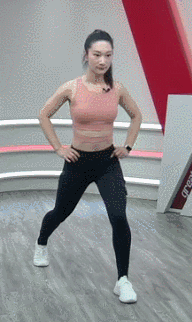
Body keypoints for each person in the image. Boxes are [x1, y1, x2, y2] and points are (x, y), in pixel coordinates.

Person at [34, 29, 143, 304]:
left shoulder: (117, 89)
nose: (102, 60)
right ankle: (41, 242)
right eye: (97, 55)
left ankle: (123, 280)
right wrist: (59, 148)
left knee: (118, 216)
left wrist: (128, 146)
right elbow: (44, 114)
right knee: (61, 212)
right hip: (78, 163)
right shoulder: (72, 88)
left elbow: (136, 115)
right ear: (86, 55)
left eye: (108, 55)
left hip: (107, 163)